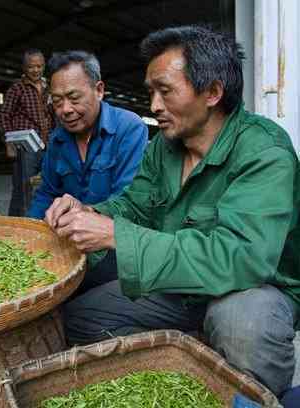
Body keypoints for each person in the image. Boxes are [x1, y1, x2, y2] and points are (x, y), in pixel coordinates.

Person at [47, 26, 300, 398]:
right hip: (184, 282)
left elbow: (240, 258)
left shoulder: (265, 153)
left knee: (243, 325)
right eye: (151, 91)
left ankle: (250, 397)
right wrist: (88, 211)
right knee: (82, 318)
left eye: (164, 91)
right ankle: (183, 371)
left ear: (212, 92)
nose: (153, 106)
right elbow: (134, 206)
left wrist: (116, 236)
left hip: (253, 287)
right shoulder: (164, 147)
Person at [26, 51, 148, 270]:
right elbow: (46, 192)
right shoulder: (57, 139)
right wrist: (29, 235)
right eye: (57, 101)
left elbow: (129, 200)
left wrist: (85, 211)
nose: (65, 110)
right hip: (70, 242)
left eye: (74, 98)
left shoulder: (129, 128)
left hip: (114, 244)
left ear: (99, 90)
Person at [0, 49, 55, 216]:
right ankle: (23, 221)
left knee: (45, 183)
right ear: (24, 67)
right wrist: (8, 143)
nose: (36, 70)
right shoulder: (17, 88)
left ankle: (36, 217)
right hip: (26, 145)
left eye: (39, 66)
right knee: (24, 186)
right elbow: (4, 115)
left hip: (46, 144)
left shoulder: (48, 88)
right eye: (31, 67)